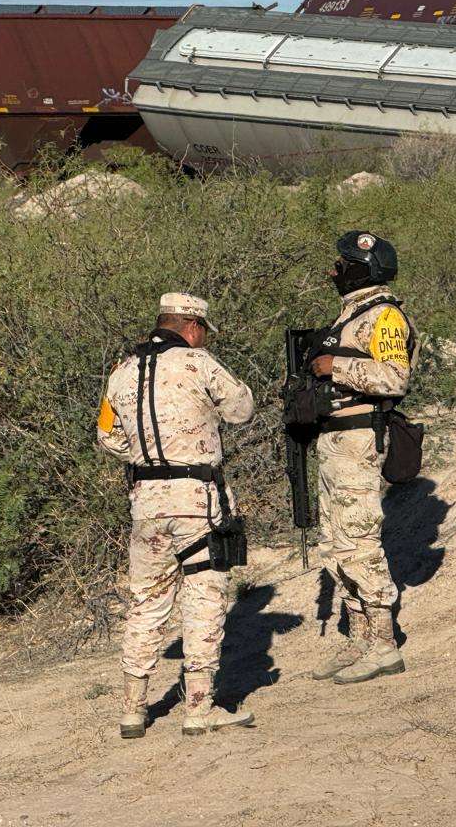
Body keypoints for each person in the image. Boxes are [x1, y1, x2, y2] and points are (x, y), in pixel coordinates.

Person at [97, 293, 256, 738]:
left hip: (146, 500)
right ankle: (200, 710)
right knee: (204, 596)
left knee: (146, 600)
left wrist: (150, 457)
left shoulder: (121, 372)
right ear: (192, 326)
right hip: (197, 496)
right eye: (202, 331)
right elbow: (242, 409)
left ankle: (132, 709)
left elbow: (107, 437)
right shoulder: (198, 363)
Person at [307, 231, 419, 685]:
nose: (334, 269)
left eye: (344, 261)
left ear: (366, 266)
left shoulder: (385, 316)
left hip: (358, 439)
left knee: (360, 541)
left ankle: (383, 644)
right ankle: (358, 638)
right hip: (334, 439)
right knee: (336, 543)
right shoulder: (349, 315)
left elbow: (395, 378)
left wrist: (336, 367)